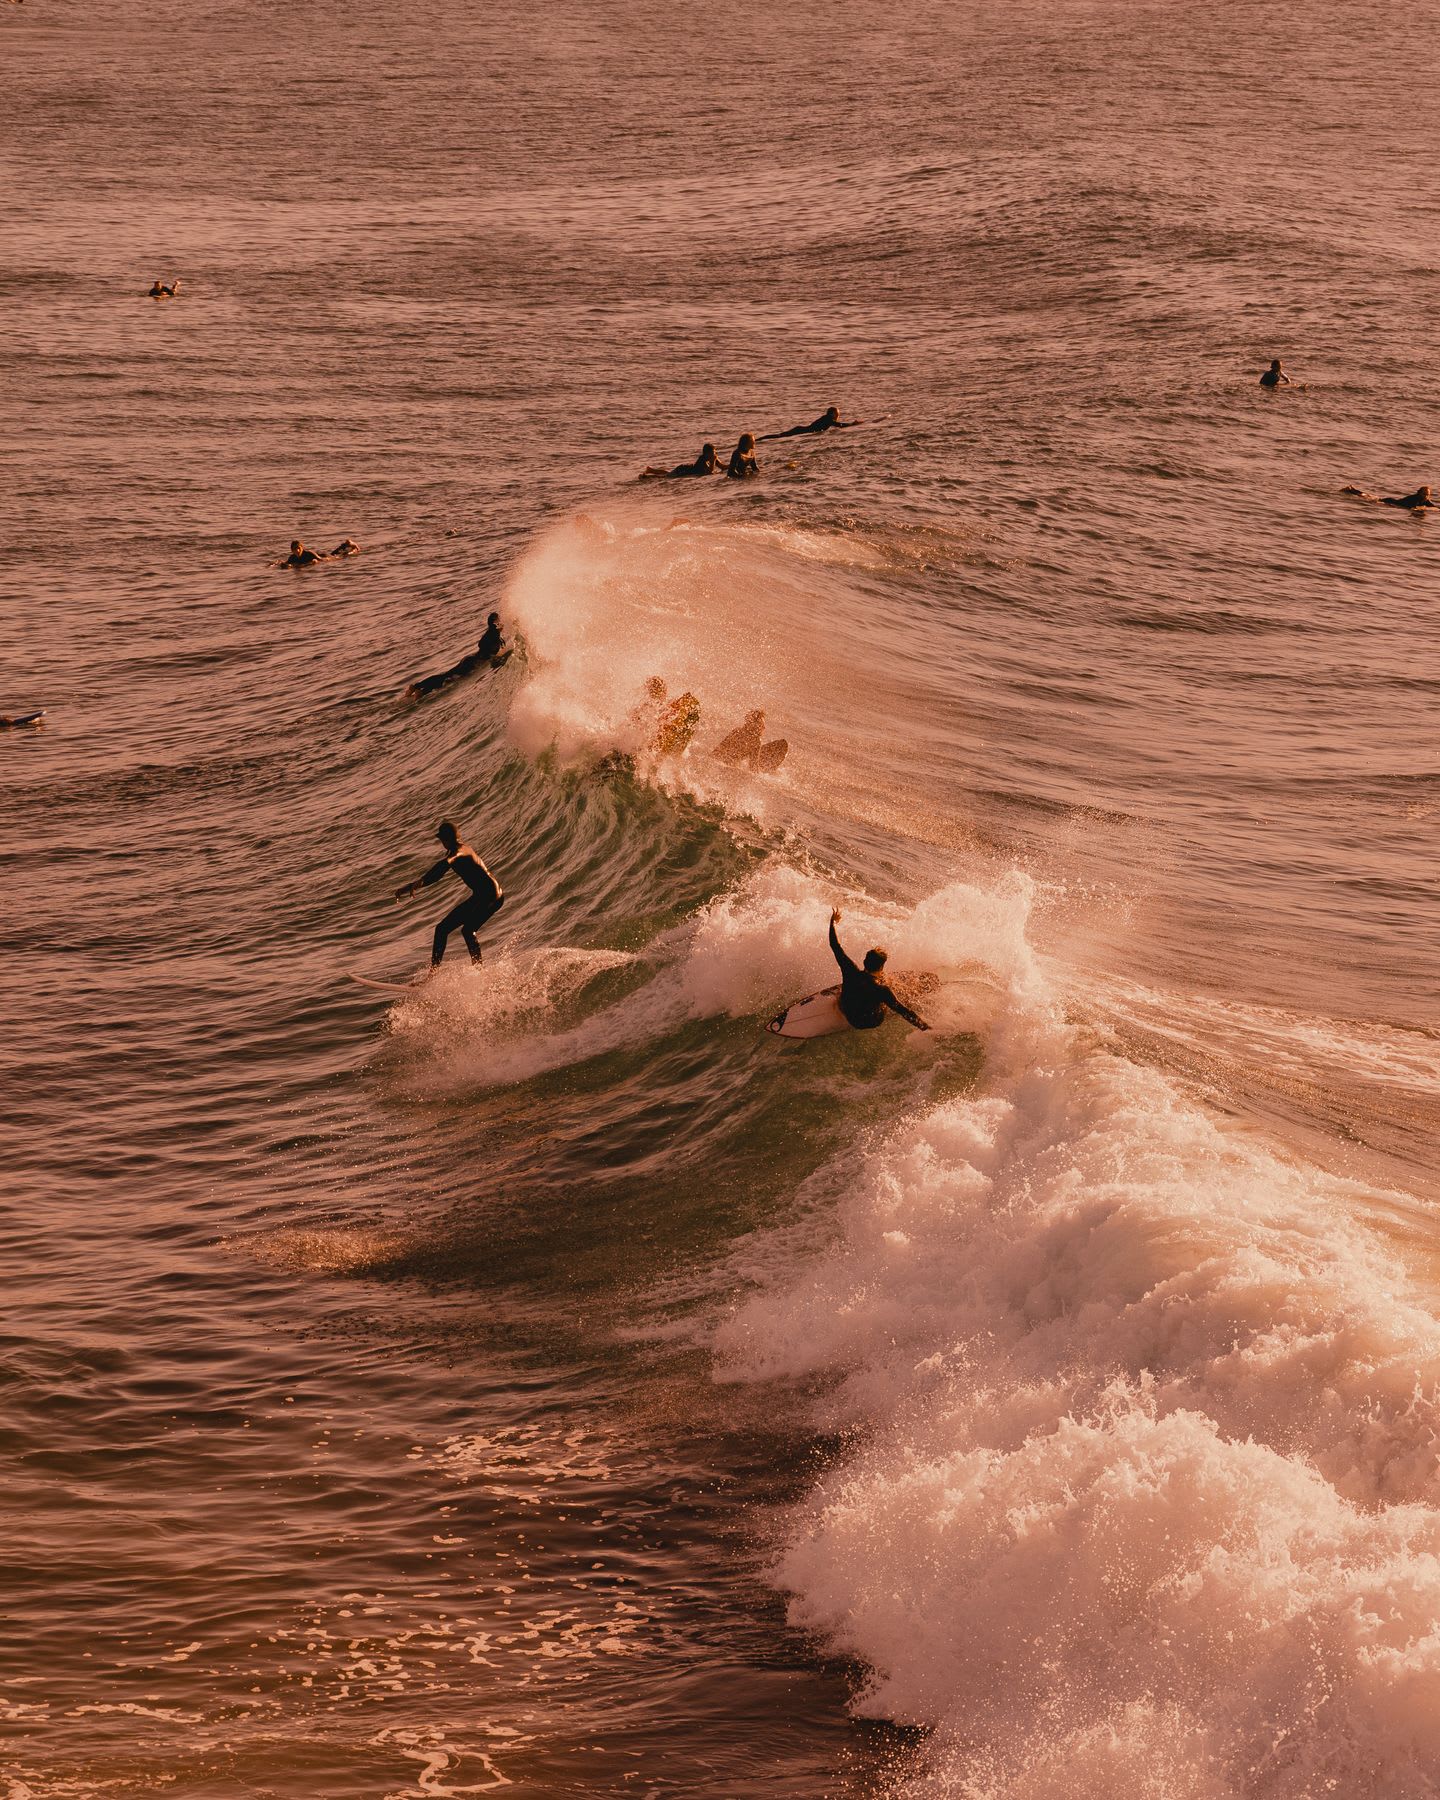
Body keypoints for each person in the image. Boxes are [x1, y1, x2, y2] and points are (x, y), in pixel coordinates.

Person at [394, 820, 504, 966]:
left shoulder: (461, 851)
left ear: (446, 840)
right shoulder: (455, 852)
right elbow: (438, 874)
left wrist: (421, 881)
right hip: (481, 896)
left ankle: (479, 970)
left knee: (468, 930)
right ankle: (433, 974)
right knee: (441, 929)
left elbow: (445, 863)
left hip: (492, 896)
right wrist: (409, 887)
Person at [828, 909, 930, 1032]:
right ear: (881, 967)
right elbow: (904, 1012)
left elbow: (835, 946)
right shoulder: (882, 990)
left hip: (850, 1016)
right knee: (887, 990)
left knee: (845, 991)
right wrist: (926, 1028)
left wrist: (832, 922)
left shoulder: (850, 970)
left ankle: (840, 1001)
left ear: (864, 962)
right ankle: (895, 995)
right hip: (872, 1021)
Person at [405, 613, 507, 698]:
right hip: (472, 663)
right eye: (499, 620)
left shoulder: (490, 633)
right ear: (495, 623)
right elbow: (488, 649)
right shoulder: (493, 635)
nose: (501, 623)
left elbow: (483, 646)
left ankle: (416, 688)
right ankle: (420, 691)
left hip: (470, 659)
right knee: (449, 679)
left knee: (447, 676)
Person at [710, 709, 787, 771]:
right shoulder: (756, 742)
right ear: (754, 726)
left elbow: (719, 749)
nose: (764, 728)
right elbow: (753, 767)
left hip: (719, 762)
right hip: (729, 768)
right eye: (761, 725)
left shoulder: (737, 731)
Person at [759, 406, 861, 440]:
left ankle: (760, 439)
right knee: (779, 436)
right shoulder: (829, 419)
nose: (838, 417)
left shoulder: (827, 419)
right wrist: (853, 424)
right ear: (833, 413)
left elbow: (838, 425)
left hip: (801, 429)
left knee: (780, 436)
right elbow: (840, 425)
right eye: (838, 414)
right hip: (801, 430)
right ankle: (760, 439)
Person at [640, 444, 718, 481]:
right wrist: (713, 461)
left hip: (684, 468)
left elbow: (723, 467)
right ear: (707, 454)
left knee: (668, 473)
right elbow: (710, 472)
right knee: (666, 477)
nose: (715, 455)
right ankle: (644, 477)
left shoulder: (708, 459)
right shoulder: (702, 461)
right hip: (682, 470)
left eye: (714, 453)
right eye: (713, 453)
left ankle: (651, 470)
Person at [1342, 484, 1435, 511]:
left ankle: (1352, 489)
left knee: (1369, 497)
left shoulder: (1425, 500)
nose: (1426, 496)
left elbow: (1435, 507)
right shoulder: (1415, 498)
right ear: (1419, 493)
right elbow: (1412, 509)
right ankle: (1351, 490)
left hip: (1393, 503)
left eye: (1428, 494)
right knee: (1367, 497)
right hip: (1390, 502)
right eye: (1424, 494)